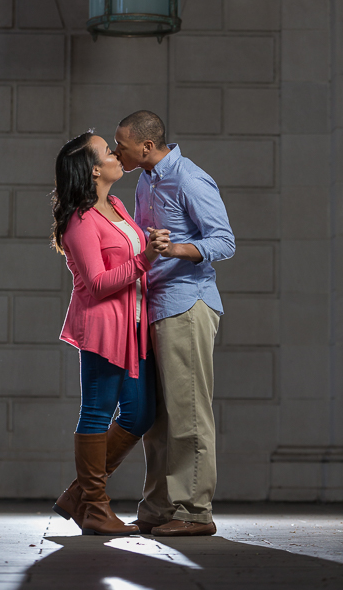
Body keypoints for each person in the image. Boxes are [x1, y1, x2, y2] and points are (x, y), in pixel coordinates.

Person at [114, 111, 235, 537]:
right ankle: (158, 509)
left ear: (146, 146)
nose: (117, 152)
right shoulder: (145, 179)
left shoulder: (189, 178)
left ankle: (194, 511)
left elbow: (224, 241)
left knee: (189, 414)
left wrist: (177, 248)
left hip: (188, 305)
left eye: (122, 145)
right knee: (159, 418)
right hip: (157, 305)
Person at [51, 131, 168, 536]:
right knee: (97, 414)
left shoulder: (117, 204)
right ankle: (96, 509)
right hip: (101, 326)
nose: (118, 155)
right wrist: (144, 259)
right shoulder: (79, 221)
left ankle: (78, 495)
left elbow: (132, 255)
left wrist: (148, 250)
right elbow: (98, 283)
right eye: (108, 151)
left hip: (133, 325)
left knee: (140, 413)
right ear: (94, 169)